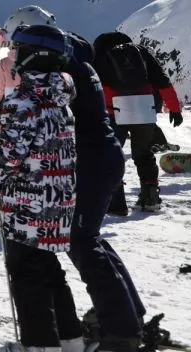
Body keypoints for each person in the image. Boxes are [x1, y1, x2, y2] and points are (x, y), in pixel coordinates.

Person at [0, 24, 80, 351]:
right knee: (48, 269)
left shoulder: (24, 97)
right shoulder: (59, 95)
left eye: (19, 49)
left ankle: (40, 344)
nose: (14, 55)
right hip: (58, 196)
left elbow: (13, 152)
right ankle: (70, 340)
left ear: (32, 54)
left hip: (28, 199)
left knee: (26, 274)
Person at [58, 24, 147, 352]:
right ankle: (129, 314)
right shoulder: (85, 69)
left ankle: (121, 329)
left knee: (81, 241)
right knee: (88, 239)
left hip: (91, 160)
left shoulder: (68, 74)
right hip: (103, 156)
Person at [92, 31, 184, 212]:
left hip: (113, 110)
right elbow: (162, 81)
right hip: (144, 109)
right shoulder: (140, 52)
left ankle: (115, 202)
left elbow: (93, 85)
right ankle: (150, 197)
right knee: (144, 153)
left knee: (111, 155)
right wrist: (175, 109)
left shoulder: (100, 55)